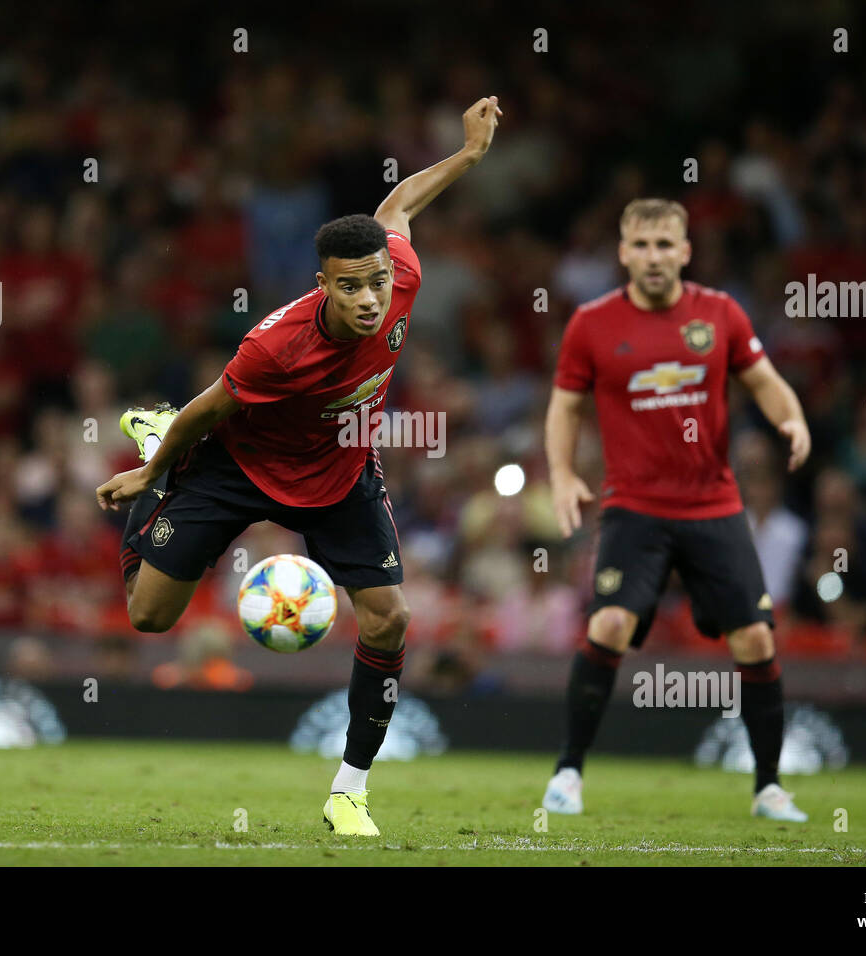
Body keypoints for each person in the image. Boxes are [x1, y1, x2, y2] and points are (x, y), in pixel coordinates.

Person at [96, 96, 503, 836]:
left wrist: (470, 155)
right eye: (350, 286)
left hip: (340, 475)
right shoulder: (277, 347)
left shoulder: (399, 273)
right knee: (150, 618)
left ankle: (350, 790)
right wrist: (153, 468)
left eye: (376, 281)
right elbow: (212, 409)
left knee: (390, 620)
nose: (369, 298)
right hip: (238, 463)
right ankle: (154, 443)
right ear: (323, 284)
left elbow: (401, 200)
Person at [542, 198, 812, 821]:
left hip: (713, 504)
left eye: (666, 245)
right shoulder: (592, 323)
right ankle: (568, 773)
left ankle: (769, 786)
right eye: (642, 245)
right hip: (634, 507)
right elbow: (564, 406)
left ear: (686, 251)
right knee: (607, 626)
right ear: (623, 252)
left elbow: (764, 379)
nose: (654, 257)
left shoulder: (720, 313)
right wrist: (561, 475)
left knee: (754, 637)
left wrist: (791, 418)